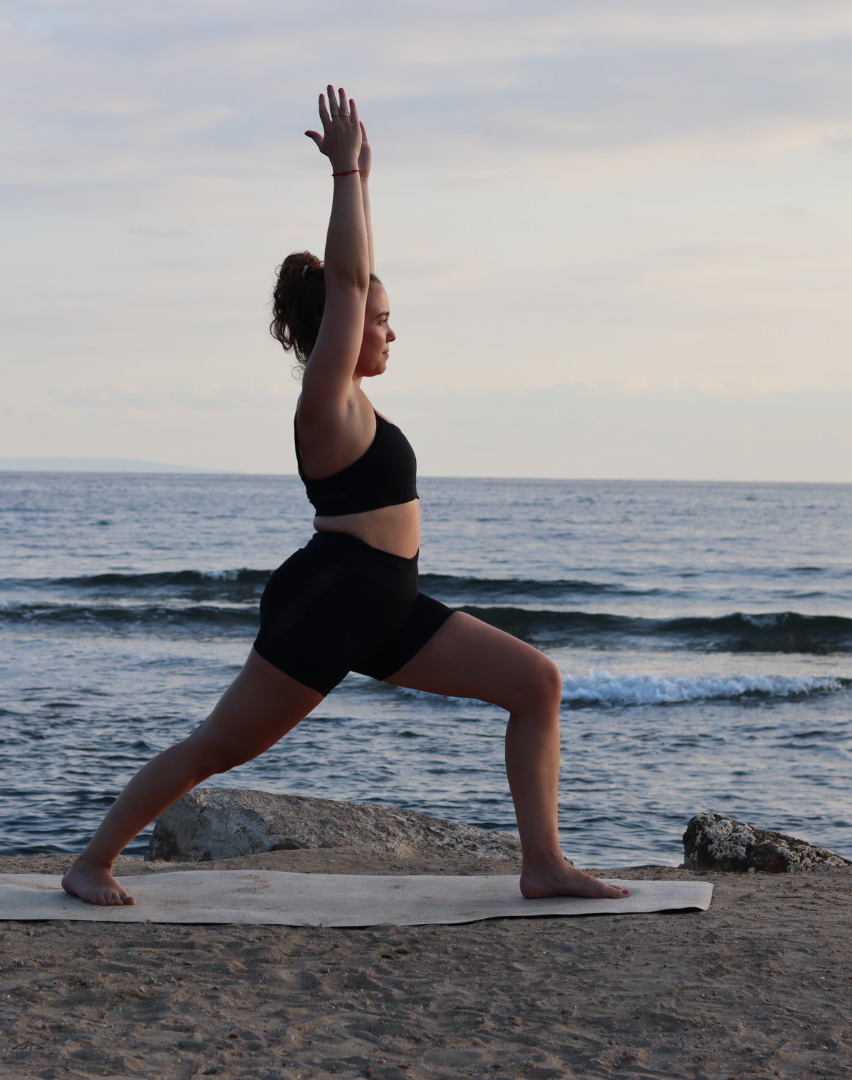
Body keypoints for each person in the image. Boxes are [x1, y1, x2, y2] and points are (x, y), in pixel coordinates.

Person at [63, 87, 627, 906]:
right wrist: (346, 174)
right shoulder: (324, 403)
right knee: (219, 746)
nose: (391, 331)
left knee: (536, 683)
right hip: (333, 600)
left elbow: (356, 285)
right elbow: (352, 282)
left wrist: (362, 179)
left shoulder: (361, 402)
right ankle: (93, 861)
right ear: (339, 325)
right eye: (380, 319)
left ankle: (542, 864)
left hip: (388, 602)